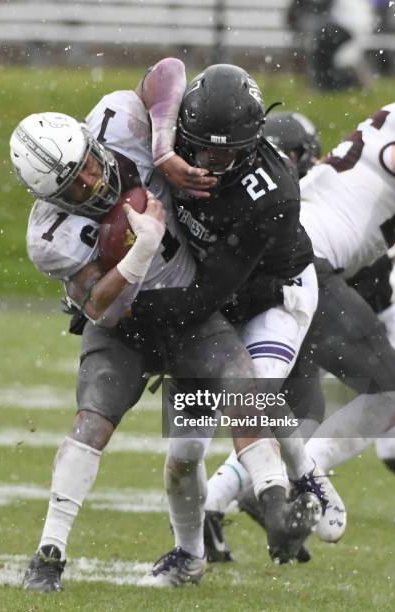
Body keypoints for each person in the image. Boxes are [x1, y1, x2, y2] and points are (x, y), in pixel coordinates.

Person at [9, 59, 321, 591]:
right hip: (126, 325)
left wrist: (161, 153)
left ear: (92, 139)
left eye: (87, 163)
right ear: (51, 200)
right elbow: (97, 307)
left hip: (191, 313)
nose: (91, 179)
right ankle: (49, 553)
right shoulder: (49, 236)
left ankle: (276, 504)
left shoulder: (118, 120)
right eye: (74, 186)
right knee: (94, 420)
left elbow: (167, 71)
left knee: (240, 392)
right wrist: (139, 254)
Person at [128, 64, 347, 562]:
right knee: (184, 453)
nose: (209, 161)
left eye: (226, 153)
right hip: (210, 296)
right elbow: (162, 75)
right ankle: (191, 553)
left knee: (251, 394)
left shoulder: (271, 191)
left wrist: (131, 312)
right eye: (201, 146)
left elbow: (210, 292)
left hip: (272, 294)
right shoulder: (170, 136)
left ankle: (288, 490)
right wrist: (163, 148)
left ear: (251, 144)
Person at [203, 107, 395, 561]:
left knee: (296, 418)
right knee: (394, 396)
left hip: (285, 258)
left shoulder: (385, 127)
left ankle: (212, 504)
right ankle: (300, 482)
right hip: (304, 264)